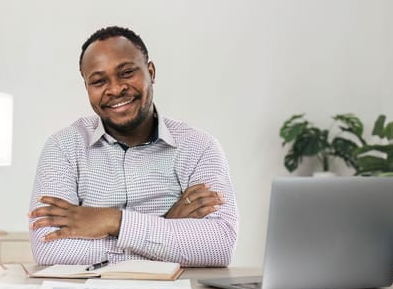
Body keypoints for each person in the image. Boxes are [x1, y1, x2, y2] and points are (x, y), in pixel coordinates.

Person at [28, 26, 238, 267]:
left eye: (127, 73)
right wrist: (168, 228)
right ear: (87, 88)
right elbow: (50, 250)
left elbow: (219, 246)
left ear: (151, 72)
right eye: (98, 81)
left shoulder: (199, 147)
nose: (116, 89)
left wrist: (112, 221)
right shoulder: (62, 147)